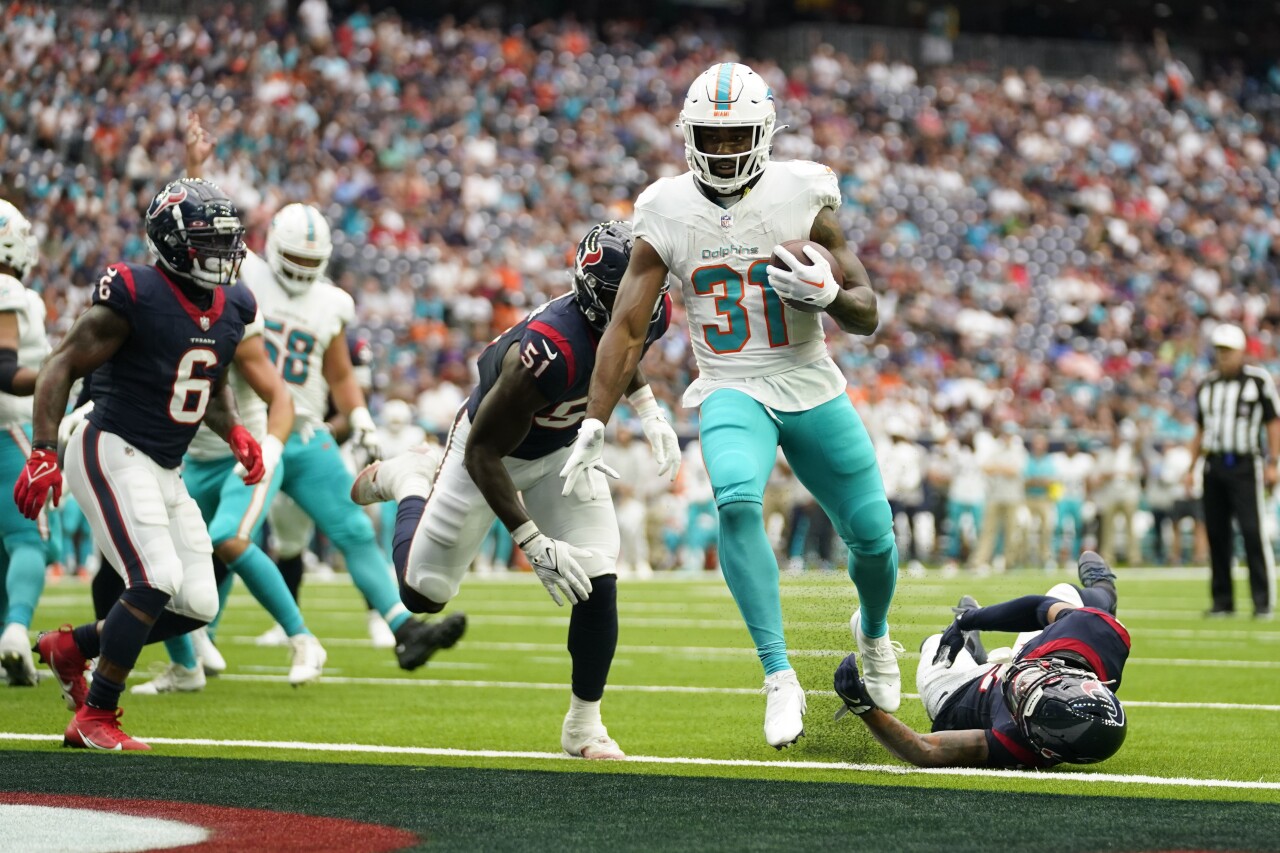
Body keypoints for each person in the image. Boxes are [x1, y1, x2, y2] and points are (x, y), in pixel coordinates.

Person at [560, 62, 903, 750]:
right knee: (738, 501)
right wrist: (597, 418)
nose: (721, 151)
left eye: (735, 136)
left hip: (807, 376)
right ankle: (779, 674)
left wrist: (830, 296)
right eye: (710, 138)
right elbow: (628, 324)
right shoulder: (664, 207)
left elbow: (869, 311)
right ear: (690, 137)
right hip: (730, 382)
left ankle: (873, 632)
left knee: (873, 536)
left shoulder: (803, 192)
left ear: (764, 132)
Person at [351, 220, 677, 759]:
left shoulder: (644, 308)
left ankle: (584, 724)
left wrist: (648, 409)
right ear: (599, 297)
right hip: (488, 452)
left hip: (562, 451)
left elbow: (627, 344)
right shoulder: (549, 350)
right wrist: (530, 541)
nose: (646, 301)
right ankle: (410, 478)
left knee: (597, 571)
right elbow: (482, 451)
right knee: (423, 594)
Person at [184, 114, 464, 663]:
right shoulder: (247, 274)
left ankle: (404, 628)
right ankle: (202, 642)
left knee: (353, 531)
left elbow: (338, 373)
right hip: (255, 428)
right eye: (297, 260)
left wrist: (358, 417)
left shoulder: (331, 301)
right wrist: (195, 169)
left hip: (306, 430)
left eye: (314, 263)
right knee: (225, 541)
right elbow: (196, 231)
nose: (303, 270)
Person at [17, 177, 264, 750]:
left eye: (228, 240)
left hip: (164, 464)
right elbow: (60, 366)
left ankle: (71, 647)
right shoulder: (135, 290)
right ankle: (96, 716)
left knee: (198, 602)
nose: (225, 253)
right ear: (174, 244)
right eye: (211, 241)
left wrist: (233, 430)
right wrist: (42, 450)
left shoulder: (234, 304)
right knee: (154, 579)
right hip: (109, 444)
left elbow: (212, 372)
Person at [833, 551, 1128, 769]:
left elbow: (923, 749)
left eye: (1021, 701)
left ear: (1042, 747)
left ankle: (974, 653)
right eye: (1029, 687)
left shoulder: (1017, 744)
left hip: (963, 694)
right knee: (1078, 599)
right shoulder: (1093, 638)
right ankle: (1102, 581)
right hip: (1039, 656)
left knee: (934, 645)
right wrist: (966, 621)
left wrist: (864, 708)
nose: (1017, 686)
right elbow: (1037, 606)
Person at [1189, 323, 1279, 619]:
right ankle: (1222, 601)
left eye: (1227, 351)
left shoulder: (1257, 380)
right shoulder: (1208, 385)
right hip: (1214, 464)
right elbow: (1200, 429)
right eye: (1219, 350)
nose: (1222, 356)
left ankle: (1262, 601)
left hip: (1245, 464)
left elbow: (1273, 422)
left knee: (1253, 531)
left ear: (1241, 352)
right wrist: (1192, 466)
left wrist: (1273, 461)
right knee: (1217, 533)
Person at [0, 199, 52, 686]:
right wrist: (60, 374)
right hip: (8, 429)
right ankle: (16, 630)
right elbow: (5, 371)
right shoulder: (10, 289)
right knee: (27, 540)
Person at [1023, 433, 1058, 570]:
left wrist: (1036, 481)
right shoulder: (1027, 460)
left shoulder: (1050, 461)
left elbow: (1051, 481)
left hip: (1045, 499)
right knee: (1024, 526)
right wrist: (1039, 481)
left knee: (1047, 528)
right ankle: (1024, 559)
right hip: (1028, 498)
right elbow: (1025, 481)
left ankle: (1046, 559)